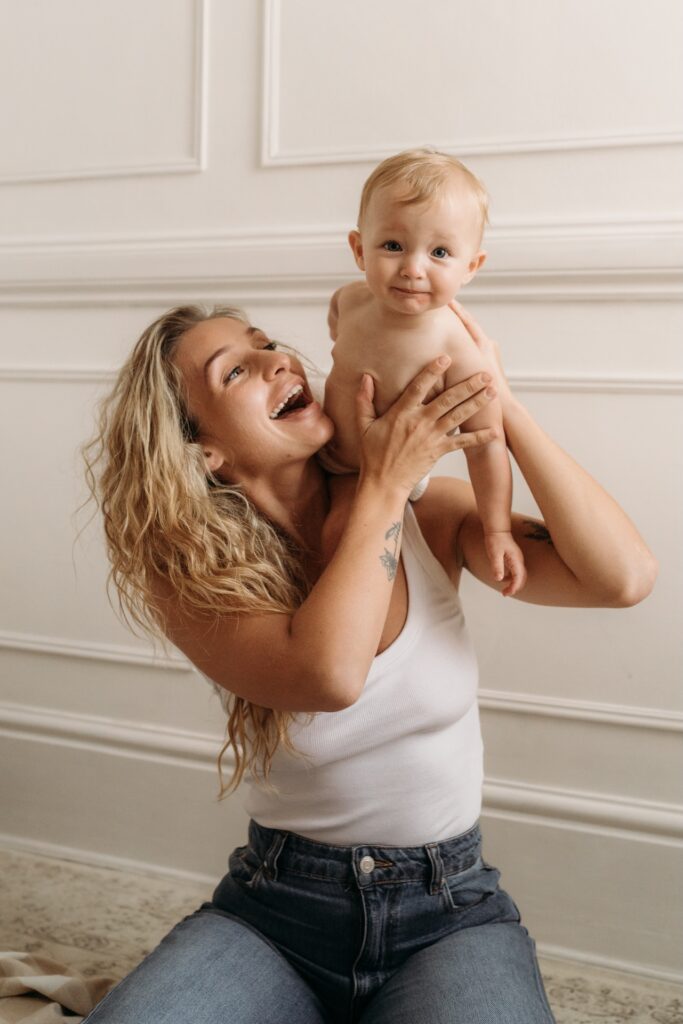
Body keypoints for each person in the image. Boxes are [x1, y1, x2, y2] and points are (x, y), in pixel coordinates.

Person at [82, 301, 656, 1024]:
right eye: (235, 372)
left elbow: (622, 579)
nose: (278, 360)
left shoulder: (430, 517)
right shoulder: (193, 577)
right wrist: (383, 482)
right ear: (203, 452)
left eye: (267, 344)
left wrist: (500, 402)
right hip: (276, 914)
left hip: (448, 912)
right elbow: (328, 676)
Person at [322, 148, 525, 595]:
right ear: (359, 250)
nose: (413, 269)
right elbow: (336, 317)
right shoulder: (351, 301)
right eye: (393, 246)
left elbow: (487, 446)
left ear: (470, 267)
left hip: (391, 481)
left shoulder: (458, 353)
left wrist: (497, 530)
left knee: (341, 547)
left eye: (440, 252)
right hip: (321, 456)